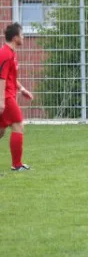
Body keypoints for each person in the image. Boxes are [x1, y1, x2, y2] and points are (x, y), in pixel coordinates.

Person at [0, 23, 34, 171]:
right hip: (6, 97)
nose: (23, 37)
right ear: (15, 38)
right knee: (18, 125)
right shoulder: (5, 54)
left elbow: (10, 77)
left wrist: (22, 89)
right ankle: (17, 164)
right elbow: (1, 78)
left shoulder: (11, 53)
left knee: (0, 131)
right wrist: (1, 100)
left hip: (8, 94)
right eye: (22, 35)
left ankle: (17, 164)